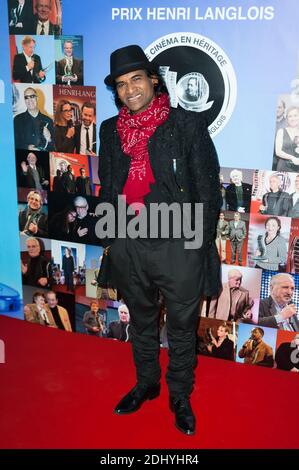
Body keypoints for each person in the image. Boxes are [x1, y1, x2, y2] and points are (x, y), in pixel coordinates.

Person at [98, 45, 222, 435]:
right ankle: (147, 383)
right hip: (130, 242)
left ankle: (180, 395)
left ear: (153, 80)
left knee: (184, 326)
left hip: (178, 241)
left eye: (136, 79)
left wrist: (197, 246)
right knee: (141, 320)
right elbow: (109, 186)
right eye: (121, 84)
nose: (130, 89)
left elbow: (208, 190)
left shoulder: (187, 124)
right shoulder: (109, 129)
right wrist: (112, 239)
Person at [275, 106, 299, 172]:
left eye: (295, 115)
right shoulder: (281, 131)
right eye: (290, 116)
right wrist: (292, 158)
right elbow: (278, 152)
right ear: (287, 119)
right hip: (283, 167)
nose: (293, 118)